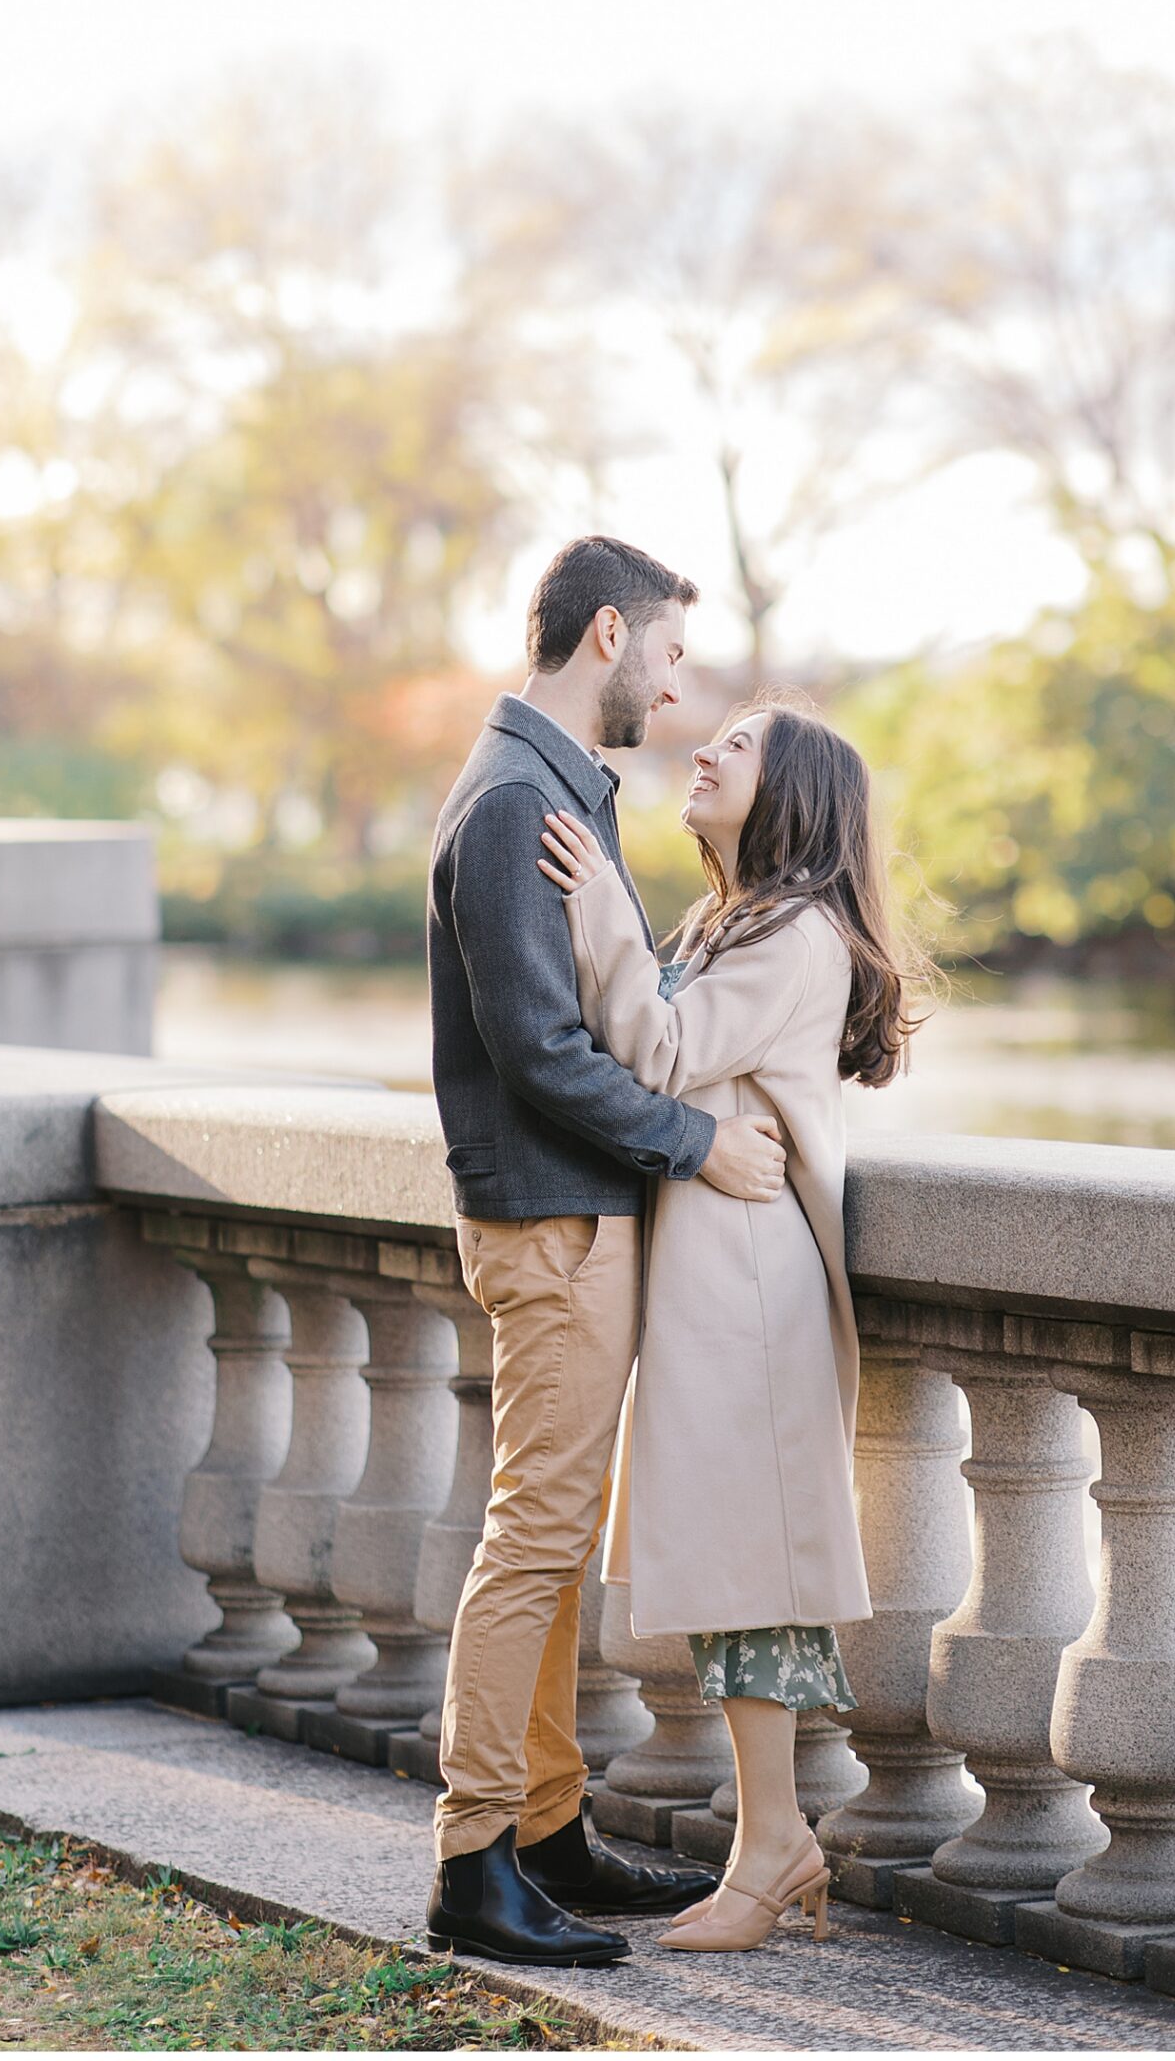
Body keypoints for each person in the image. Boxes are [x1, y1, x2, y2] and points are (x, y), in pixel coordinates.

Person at [423, 536, 790, 1969]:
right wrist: (695, 1144)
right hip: (555, 1221)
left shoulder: (556, 788)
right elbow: (536, 1050)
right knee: (532, 1541)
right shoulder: (517, 800)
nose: (677, 681)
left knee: (557, 1540)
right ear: (603, 642)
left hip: (574, 1215)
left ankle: (546, 1830)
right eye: (668, 651)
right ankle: (473, 1863)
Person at [536, 696, 926, 1954]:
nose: (704, 748)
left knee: (754, 1571)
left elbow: (658, 1051)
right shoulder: (736, 919)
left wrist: (598, 902)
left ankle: (773, 1850)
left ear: (795, 792)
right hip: (714, 1280)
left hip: (752, 1292)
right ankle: (775, 1843)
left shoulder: (797, 936)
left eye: (738, 742)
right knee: (730, 1567)